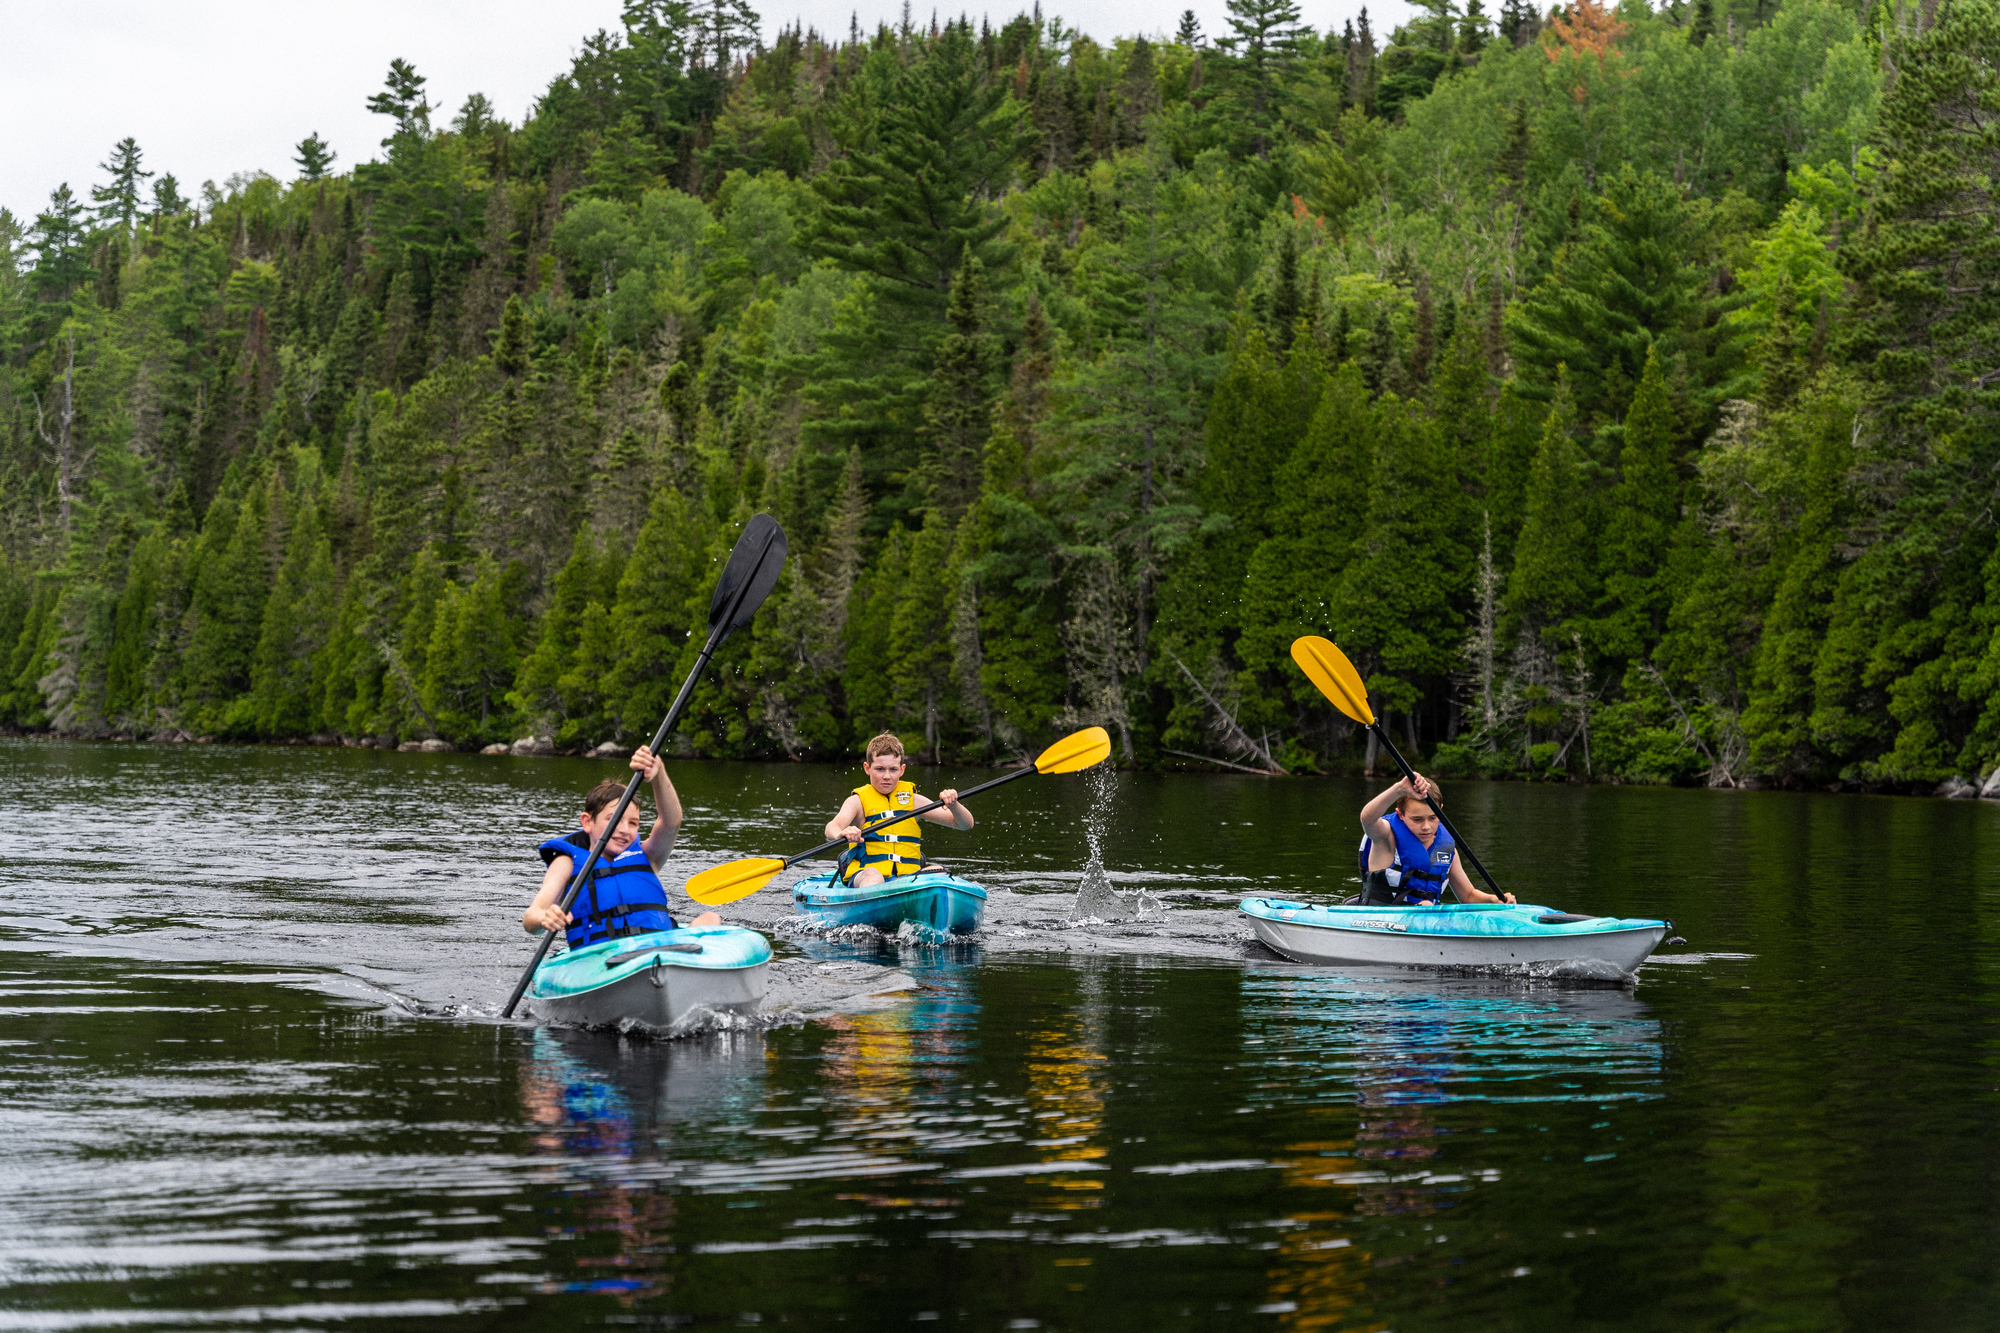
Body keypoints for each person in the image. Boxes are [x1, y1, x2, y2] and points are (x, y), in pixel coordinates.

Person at [522, 745, 721, 945]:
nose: (625, 829)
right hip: (601, 955)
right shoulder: (566, 863)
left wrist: (658, 772)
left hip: (661, 946)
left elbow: (671, 821)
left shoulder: (649, 856)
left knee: (711, 918)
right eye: (614, 819)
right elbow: (531, 918)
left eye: (633, 823)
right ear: (587, 822)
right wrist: (544, 918)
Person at [824, 732, 974, 886]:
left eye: (893, 770)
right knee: (873, 875)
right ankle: (875, 905)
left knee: (939, 871)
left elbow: (965, 824)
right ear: (867, 768)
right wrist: (841, 833)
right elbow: (831, 828)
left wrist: (954, 804)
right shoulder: (857, 802)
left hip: (908, 878)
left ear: (902, 770)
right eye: (880, 769)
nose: (887, 776)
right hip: (867, 875)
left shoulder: (914, 802)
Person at [1356, 773, 1515, 906]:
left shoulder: (1446, 849)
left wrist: (1493, 899)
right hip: (1380, 921)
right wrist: (1399, 789)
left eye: (1433, 818)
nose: (1426, 827)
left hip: (1426, 922)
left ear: (1441, 811)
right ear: (1400, 815)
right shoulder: (1385, 836)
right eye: (1417, 820)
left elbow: (1468, 896)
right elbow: (1367, 819)